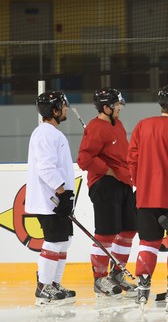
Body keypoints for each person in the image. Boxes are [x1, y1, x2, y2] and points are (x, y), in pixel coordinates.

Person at [127, 85, 168, 311]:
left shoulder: (142, 125)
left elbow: (131, 159)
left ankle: (143, 288)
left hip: (146, 197)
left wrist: (140, 184)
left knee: (148, 242)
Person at [77, 87, 137, 298]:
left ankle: (118, 274)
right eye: (117, 104)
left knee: (129, 230)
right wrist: (108, 171)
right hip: (105, 184)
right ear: (106, 107)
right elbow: (84, 159)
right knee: (106, 233)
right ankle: (99, 278)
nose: (120, 107)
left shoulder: (117, 124)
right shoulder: (95, 127)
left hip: (123, 183)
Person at [26, 91, 77, 306]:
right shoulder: (45, 134)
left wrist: (66, 194)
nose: (66, 109)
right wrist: (61, 192)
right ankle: (43, 286)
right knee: (54, 242)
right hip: (50, 201)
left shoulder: (53, 133)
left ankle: (54, 284)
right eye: (63, 106)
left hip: (57, 199)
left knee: (64, 242)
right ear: (55, 110)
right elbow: (45, 167)